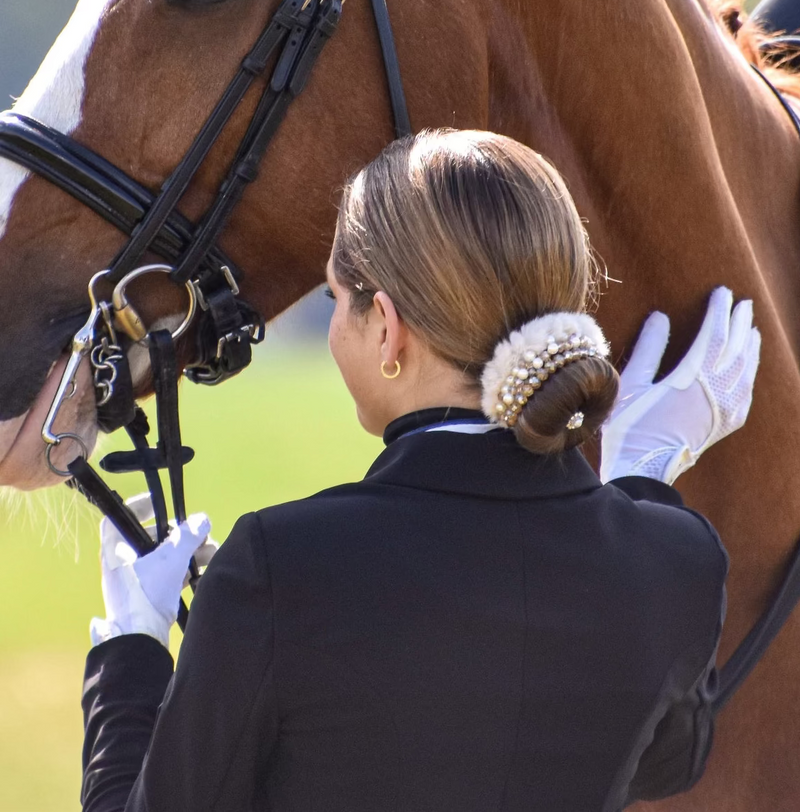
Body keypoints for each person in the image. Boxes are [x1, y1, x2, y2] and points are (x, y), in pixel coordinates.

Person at [80, 129, 759, 812]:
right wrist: (644, 474)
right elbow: (667, 759)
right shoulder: (677, 560)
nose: (337, 327)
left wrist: (132, 646)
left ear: (387, 327)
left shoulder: (276, 569)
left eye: (335, 302)